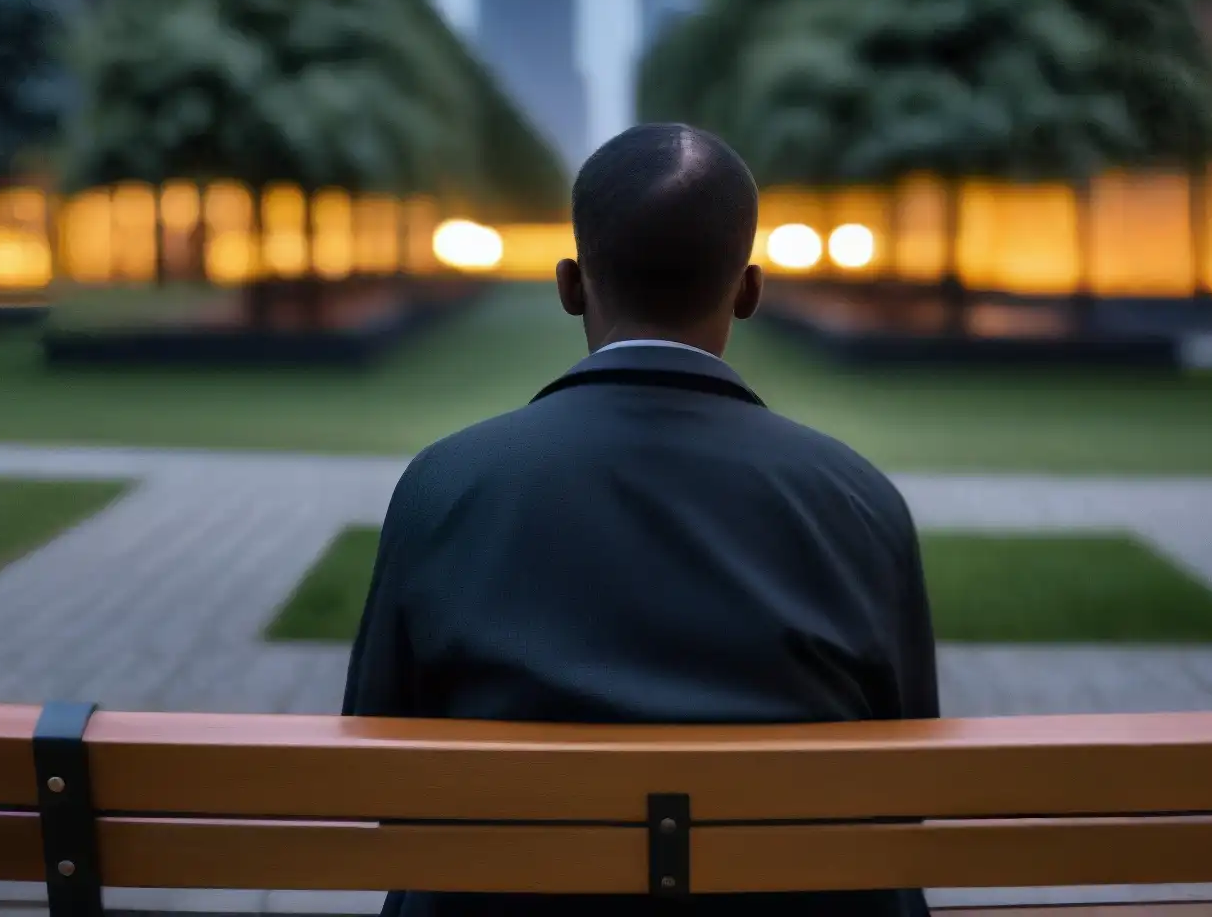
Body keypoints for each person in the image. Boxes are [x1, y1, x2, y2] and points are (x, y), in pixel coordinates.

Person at [344, 123, 939, 916]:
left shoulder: (446, 484)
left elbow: (378, 776)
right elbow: (906, 795)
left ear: (570, 285)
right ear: (750, 288)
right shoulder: (859, 500)